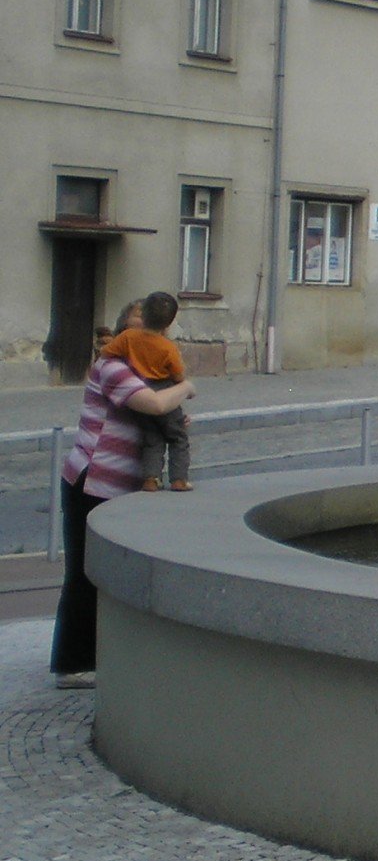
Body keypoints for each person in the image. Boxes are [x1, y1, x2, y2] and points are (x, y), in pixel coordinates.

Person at [51, 300, 196, 688]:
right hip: (93, 480)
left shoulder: (143, 371)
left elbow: (163, 414)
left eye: (153, 332)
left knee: (113, 575)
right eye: (138, 330)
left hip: (123, 487)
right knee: (84, 573)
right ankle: (72, 664)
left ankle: (104, 654)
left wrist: (173, 414)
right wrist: (184, 387)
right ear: (124, 335)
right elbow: (153, 403)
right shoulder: (111, 367)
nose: (147, 337)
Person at [105, 290, 191, 491]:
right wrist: (185, 387)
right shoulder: (168, 347)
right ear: (169, 323)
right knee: (178, 437)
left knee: (152, 438)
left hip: (140, 387)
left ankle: (151, 478)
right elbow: (178, 375)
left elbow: (106, 352)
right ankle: (179, 479)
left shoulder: (127, 337)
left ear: (143, 316)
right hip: (163, 389)